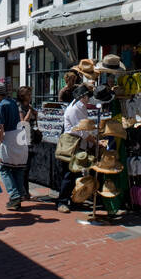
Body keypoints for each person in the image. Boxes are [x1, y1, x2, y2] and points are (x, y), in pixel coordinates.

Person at [0, 81, 30, 211]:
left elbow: (0, 127)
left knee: (4, 169)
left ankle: (14, 196)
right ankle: (20, 195)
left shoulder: (1, 105)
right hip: (20, 137)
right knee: (18, 169)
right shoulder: (13, 102)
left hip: (9, 137)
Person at [56, 85, 94, 213]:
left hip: (78, 144)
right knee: (69, 174)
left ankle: (74, 200)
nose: (89, 99)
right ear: (82, 97)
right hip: (72, 145)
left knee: (75, 173)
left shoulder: (79, 106)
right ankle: (62, 201)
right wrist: (94, 141)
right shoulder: (75, 109)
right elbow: (81, 130)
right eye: (88, 96)